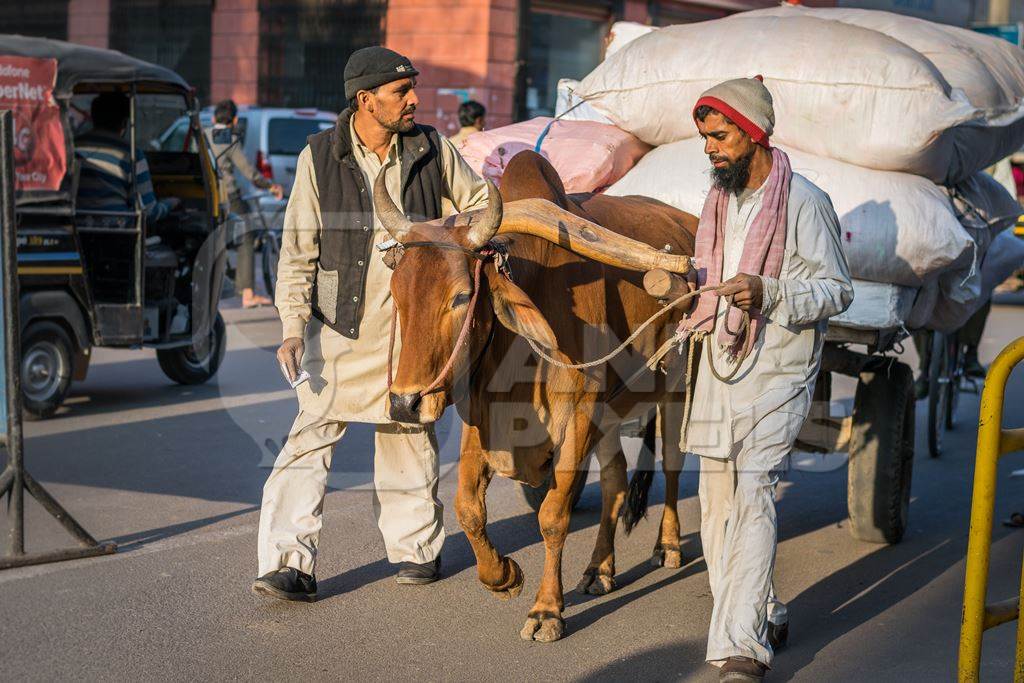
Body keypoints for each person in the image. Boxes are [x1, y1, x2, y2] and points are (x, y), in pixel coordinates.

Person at [253, 46, 488, 601]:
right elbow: (297, 252)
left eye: (414, 89)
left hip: (412, 328)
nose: (414, 100)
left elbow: (478, 203)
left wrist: (450, 241)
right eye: (400, 92)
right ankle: (288, 562)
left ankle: (415, 550)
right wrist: (291, 326)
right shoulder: (319, 156)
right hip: (339, 327)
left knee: (407, 434)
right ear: (366, 100)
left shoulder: (432, 149)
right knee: (309, 440)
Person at [677, 77, 853, 681]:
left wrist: (768, 291)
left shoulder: (805, 202)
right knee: (716, 501)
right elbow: (706, 277)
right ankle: (766, 609)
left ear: (754, 134)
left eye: (720, 136)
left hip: (780, 366)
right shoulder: (716, 205)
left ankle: (740, 645)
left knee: (752, 492)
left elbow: (838, 290)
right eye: (704, 137)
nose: (710, 148)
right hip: (720, 364)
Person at [206, 99, 284, 308]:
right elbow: (249, 172)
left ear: (214, 119)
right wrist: (270, 186)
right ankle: (248, 294)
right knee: (247, 235)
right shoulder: (229, 140)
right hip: (228, 197)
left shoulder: (204, 135)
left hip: (204, 198)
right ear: (234, 119)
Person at [76, 92, 179, 220]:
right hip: (117, 233)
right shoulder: (132, 154)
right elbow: (149, 212)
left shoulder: (72, 147)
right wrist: (170, 203)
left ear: (93, 118)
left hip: (73, 230)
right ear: (124, 123)